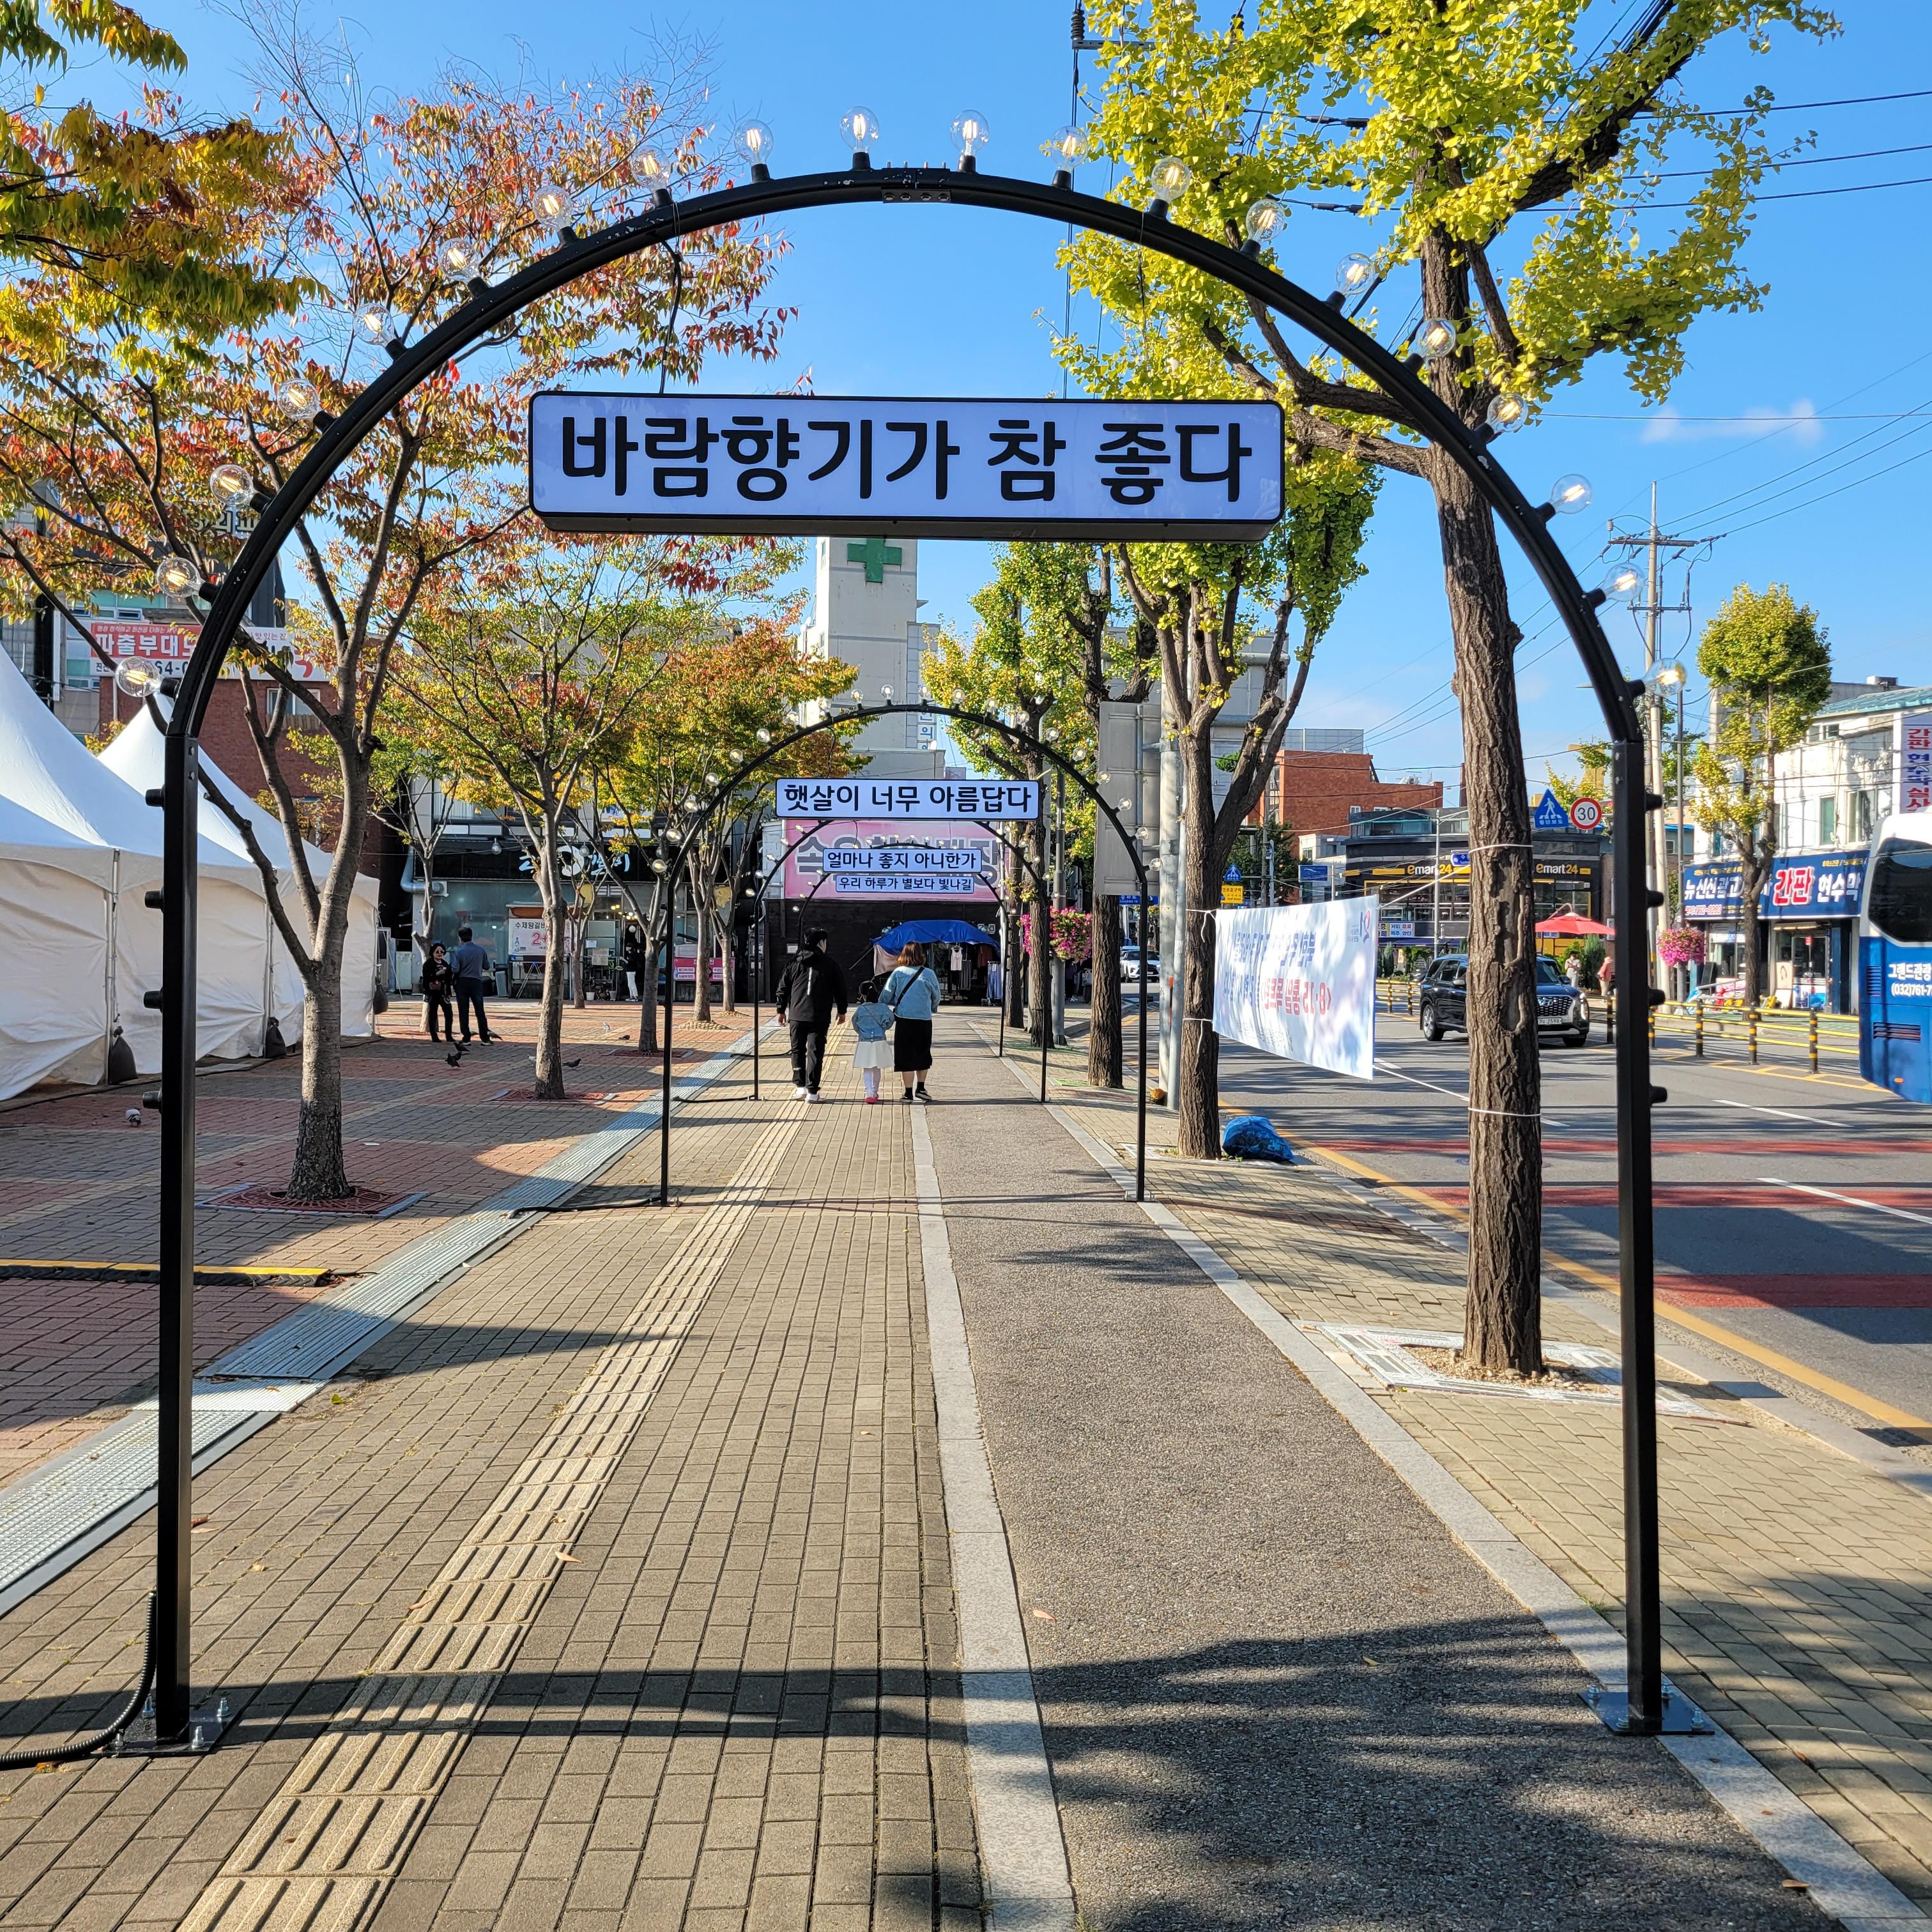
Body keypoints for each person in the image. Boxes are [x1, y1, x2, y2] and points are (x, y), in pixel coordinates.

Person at [774, 928, 846, 1101]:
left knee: (797, 1050)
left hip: (796, 1015)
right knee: (815, 1052)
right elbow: (840, 989)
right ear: (821, 943)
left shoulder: (794, 962)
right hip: (819, 1016)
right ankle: (812, 1092)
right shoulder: (830, 964)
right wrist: (842, 1011)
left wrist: (781, 1010)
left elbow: (783, 988)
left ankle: (800, 1088)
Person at [884, 941, 944, 1102]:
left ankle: (908, 1093)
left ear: (904, 955)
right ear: (921, 955)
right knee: (923, 1053)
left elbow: (886, 996)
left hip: (904, 1019)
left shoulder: (898, 973)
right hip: (924, 1020)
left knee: (905, 1055)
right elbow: (937, 996)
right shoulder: (929, 974)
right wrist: (932, 1007)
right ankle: (921, 1088)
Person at [448, 924, 497, 1043]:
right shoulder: (481, 950)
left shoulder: (459, 952)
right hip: (477, 982)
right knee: (480, 1011)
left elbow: (455, 969)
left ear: (460, 938)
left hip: (462, 983)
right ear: (471, 936)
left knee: (463, 1011)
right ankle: (485, 1038)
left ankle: (466, 1038)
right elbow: (487, 966)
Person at [849, 977, 894, 1103]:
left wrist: (862, 1032)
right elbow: (891, 1020)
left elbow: (855, 1023)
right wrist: (884, 1028)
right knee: (877, 1068)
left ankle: (869, 1092)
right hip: (880, 1040)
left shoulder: (860, 1010)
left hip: (865, 1041)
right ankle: (875, 1091)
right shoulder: (883, 1007)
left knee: (867, 1068)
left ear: (863, 995)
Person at [420, 941, 456, 1041]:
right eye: (437, 951)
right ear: (433, 952)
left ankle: (449, 1036)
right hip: (433, 993)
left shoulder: (445, 963)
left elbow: (449, 979)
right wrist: (438, 973)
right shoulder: (428, 964)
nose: (440, 953)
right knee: (433, 1014)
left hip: (444, 993)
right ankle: (434, 1036)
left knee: (449, 1014)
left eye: (442, 951)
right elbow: (426, 977)